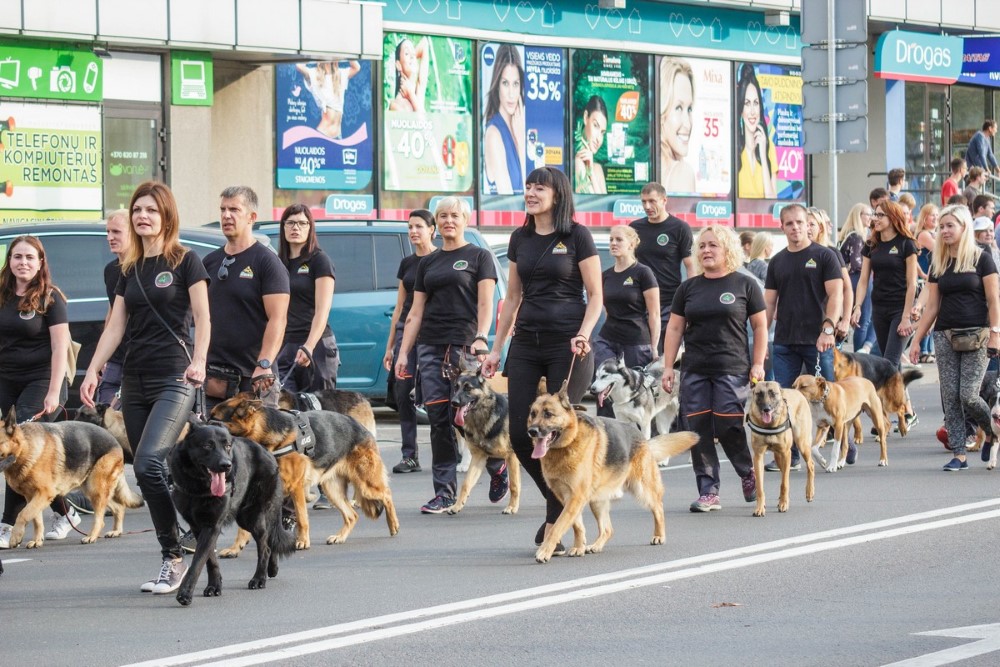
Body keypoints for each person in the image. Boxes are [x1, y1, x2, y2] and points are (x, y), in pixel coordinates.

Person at [80, 181, 210, 593]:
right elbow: (115, 326)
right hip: (134, 380)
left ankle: (174, 556)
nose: (142, 216)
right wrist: (92, 369)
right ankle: (189, 536)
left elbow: (203, 318)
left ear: (166, 215)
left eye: (151, 210)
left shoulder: (187, 261)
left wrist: (199, 361)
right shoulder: (129, 269)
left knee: (150, 462)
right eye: (137, 210)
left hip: (175, 377)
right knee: (149, 469)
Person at [483, 166, 602, 552]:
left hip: (568, 345)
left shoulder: (577, 236)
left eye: (540, 188)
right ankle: (562, 503)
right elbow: (512, 298)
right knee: (521, 435)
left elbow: (596, 296)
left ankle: (555, 522)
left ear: (558, 195)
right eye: (528, 187)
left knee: (560, 432)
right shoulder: (520, 238)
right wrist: (496, 348)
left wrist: (584, 334)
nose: (531, 193)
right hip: (526, 344)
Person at [395, 198, 505, 514]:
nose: (448, 221)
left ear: (465, 220)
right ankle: (444, 493)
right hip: (430, 346)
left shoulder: (479, 256)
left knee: (468, 416)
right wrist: (404, 353)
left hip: (465, 347)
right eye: (442, 216)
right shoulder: (428, 262)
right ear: (437, 223)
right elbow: (415, 312)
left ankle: (497, 465)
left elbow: (486, 303)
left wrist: (481, 337)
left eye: (454, 215)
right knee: (439, 420)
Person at [662, 225, 766, 512]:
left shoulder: (745, 285)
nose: (706, 250)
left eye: (713, 245)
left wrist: (758, 363)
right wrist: (668, 366)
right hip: (695, 368)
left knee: (727, 424)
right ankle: (708, 490)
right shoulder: (688, 288)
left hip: (732, 367)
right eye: (702, 246)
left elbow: (760, 327)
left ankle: (746, 471)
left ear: (727, 249)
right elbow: (675, 328)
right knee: (698, 428)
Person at [908, 204, 1000, 470]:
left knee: (969, 395)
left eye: (950, 226)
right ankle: (959, 454)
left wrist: (995, 333)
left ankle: (991, 432)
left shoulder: (982, 258)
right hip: (945, 335)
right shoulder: (939, 262)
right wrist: (917, 340)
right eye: (941, 227)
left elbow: (994, 300)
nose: (944, 231)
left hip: (978, 335)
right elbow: (932, 306)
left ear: (964, 227)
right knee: (951, 397)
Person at [0, 236, 72, 549]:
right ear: (9, 261)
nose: (23, 263)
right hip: (6, 379)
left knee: (16, 450)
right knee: (28, 459)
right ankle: (66, 513)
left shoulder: (50, 298)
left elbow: (60, 347)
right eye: (18, 257)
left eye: (30, 257)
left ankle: (6, 526)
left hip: (42, 380)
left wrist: (53, 392)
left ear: (41, 262)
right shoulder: (2, 294)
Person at [763, 204, 843, 470]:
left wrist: (828, 330)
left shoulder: (824, 256)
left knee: (829, 399)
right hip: (785, 341)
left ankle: (845, 447)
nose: (795, 227)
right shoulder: (777, 261)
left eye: (800, 222)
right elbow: (769, 303)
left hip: (818, 341)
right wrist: (762, 340)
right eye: (789, 223)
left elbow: (836, 295)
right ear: (782, 227)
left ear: (809, 224)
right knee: (784, 400)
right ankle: (791, 456)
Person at [202, 186, 290, 408]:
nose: (226, 215)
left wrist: (264, 364)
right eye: (223, 209)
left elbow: (278, 319)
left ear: (252, 217)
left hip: (254, 378)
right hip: (213, 377)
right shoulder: (210, 262)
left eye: (234, 210)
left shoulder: (267, 262)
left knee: (258, 433)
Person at [851, 200, 919, 427]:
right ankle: (907, 412)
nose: (875, 219)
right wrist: (857, 306)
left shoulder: (907, 244)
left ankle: (883, 416)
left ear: (893, 217)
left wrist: (906, 316)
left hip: (901, 308)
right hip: (879, 308)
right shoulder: (872, 244)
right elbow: (863, 281)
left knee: (888, 362)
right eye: (874, 214)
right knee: (893, 367)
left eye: (880, 215)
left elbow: (912, 283)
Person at [383, 209, 437, 474]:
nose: (413, 231)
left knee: (436, 394)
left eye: (419, 226)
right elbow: (399, 307)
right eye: (410, 227)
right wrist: (390, 346)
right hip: (406, 334)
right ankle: (409, 455)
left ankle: (448, 451)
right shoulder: (406, 263)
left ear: (432, 230)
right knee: (403, 393)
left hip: (433, 334)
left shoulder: (440, 259)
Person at [593, 225, 659, 418]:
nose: (613, 243)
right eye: (611, 240)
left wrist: (654, 347)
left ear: (631, 244)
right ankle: (606, 430)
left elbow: (655, 313)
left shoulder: (643, 273)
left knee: (635, 397)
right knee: (605, 386)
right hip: (607, 340)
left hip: (636, 342)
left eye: (619, 239)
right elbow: (606, 309)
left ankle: (638, 435)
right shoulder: (606, 275)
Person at [274, 204, 338, 394]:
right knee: (285, 405)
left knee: (318, 407)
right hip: (286, 345)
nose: (296, 228)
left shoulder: (319, 260)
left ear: (310, 227)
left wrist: (309, 346)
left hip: (315, 344)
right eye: (291, 223)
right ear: (283, 227)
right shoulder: (278, 263)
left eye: (302, 223)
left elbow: (322, 311)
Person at [630, 182, 694, 351]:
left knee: (667, 357)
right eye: (643, 202)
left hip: (669, 304)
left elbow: (691, 266)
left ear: (664, 200)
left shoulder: (680, 228)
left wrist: (691, 299)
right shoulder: (634, 228)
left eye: (652, 201)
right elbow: (627, 264)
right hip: (640, 304)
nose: (647, 206)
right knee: (641, 355)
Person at [97, 209, 131, 405]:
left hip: (140, 359)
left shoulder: (145, 268)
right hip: (116, 357)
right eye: (108, 232)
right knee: (104, 412)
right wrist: (102, 357)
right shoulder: (110, 270)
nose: (110, 237)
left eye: (116, 232)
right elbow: (112, 311)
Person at [483, 44, 525, 196]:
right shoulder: (493, 134)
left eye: (516, 84)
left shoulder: (519, 127)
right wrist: (521, 145)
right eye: (505, 83)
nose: (511, 93)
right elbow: (509, 201)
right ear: (497, 85)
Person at [840, 203, 878, 354]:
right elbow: (857, 264)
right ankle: (861, 354)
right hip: (858, 278)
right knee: (864, 320)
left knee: (863, 320)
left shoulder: (848, 235)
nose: (871, 217)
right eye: (868, 214)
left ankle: (863, 350)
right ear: (858, 216)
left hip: (850, 279)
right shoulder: (856, 236)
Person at [736, 63, 777, 199]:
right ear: (741, 109)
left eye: (756, 103)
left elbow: (772, 201)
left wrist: (763, 156)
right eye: (747, 104)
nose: (752, 111)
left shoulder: (770, 147)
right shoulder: (735, 149)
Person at [295, 60, 361, 139]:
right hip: (324, 135)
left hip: (338, 135)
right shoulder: (315, 75)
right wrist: (315, 55)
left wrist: (346, 53)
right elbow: (299, 66)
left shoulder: (340, 74)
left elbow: (356, 67)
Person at [659, 58, 696, 194]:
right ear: (661, 113)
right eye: (678, 108)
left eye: (689, 109)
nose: (687, 123)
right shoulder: (683, 173)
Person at [914, 203, 938, 362]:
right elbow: (938, 249)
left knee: (932, 313)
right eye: (932, 215)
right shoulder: (923, 234)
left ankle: (929, 349)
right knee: (926, 312)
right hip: (924, 281)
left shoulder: (935, 233)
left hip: (931, 279)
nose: (935, 218)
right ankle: (923, 350)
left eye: (937, 215)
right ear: (924, 218)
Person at [574, 95, 608, 194]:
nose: (599, 139)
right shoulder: (578, 160)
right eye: (596, 126)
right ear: (585, 118)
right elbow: (589, 201)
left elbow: (603, 202)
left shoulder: (596, 168)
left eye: (602, 133)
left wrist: (591, 172)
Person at [389, 36, 429, 113]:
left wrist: (410, 59)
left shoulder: (418, 91)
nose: (412, 56)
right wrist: (411, 94)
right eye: (407, 53)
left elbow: (424, 43)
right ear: (398, 65)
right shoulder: (395, 105)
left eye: (413, 53)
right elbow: (422, 119)